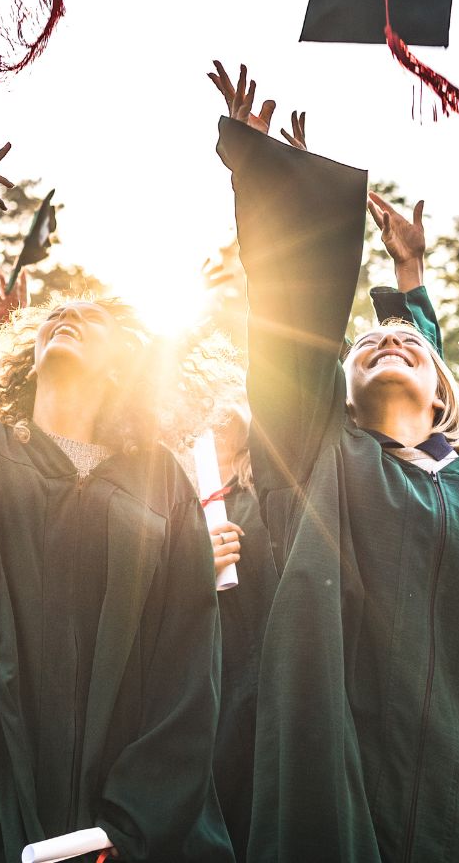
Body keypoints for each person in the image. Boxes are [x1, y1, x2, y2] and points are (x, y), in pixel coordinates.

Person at [209, 60, 459, 863]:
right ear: (340, 395)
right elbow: (292, 328)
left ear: (442, 398)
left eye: (409, 344)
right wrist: (270, 188)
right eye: (364, 345)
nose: (387, 339)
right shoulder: (318, 456)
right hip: (338, 794)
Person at [0, 136, 232, 862]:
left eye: (90, 318)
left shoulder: (158, 479)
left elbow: (187, 652)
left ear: (123, 370)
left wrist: (132, 820)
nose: (63, 318)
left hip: (125, 805)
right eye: (51, 317)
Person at [182, 335, 276, 862]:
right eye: (200, 401)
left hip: (266, 681)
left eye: (225, 396)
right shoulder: (166, 493)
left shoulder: (273, 488)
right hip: (201, 691)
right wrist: (192, 566)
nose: (213, 411)